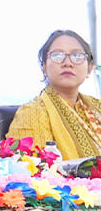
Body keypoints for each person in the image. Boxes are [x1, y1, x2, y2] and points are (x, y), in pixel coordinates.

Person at [7, 30, 101, 160]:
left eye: (77, 56)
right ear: (44, 67)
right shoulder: (32, 113)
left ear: (89, 68)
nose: (68, 63)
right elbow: (35, 169)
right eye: (57, 55)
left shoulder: (98, 106)